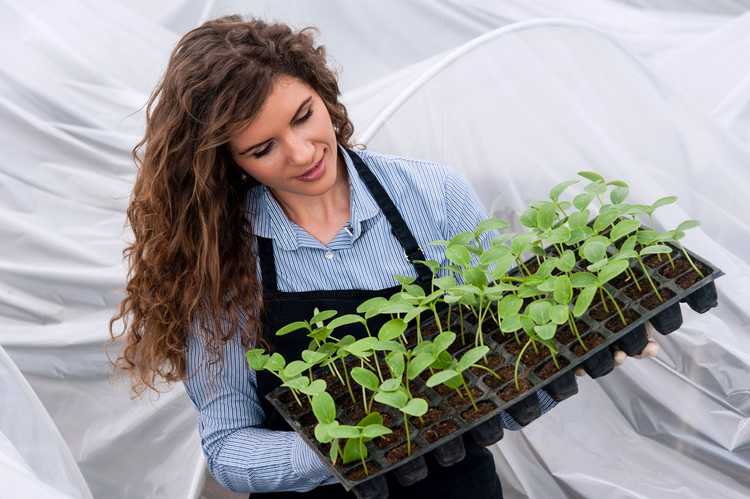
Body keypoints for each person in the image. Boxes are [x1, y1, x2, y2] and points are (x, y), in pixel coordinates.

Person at [109, 14, 660, 498]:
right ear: (229, 162)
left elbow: (498, 375)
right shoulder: (222, 257)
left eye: (303, 116)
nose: (301, 154)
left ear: (322, 92)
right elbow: (230, 445)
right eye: (263, 147)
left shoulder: (434, 197)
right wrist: (349, 451)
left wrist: (575, 351)